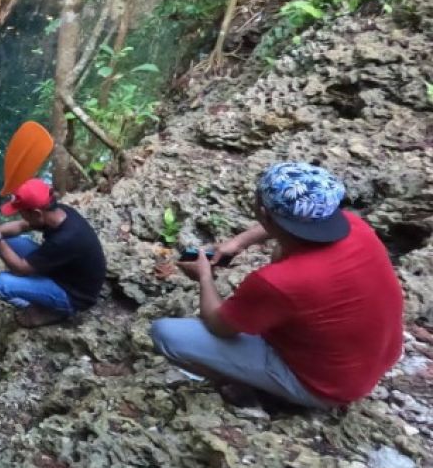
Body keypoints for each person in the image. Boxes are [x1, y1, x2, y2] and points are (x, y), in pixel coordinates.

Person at [151, 162, 404, 409]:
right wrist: (240, 242)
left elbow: (218, 325)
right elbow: (292, 225)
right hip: (373, 360)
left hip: (326, 387)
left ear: (263, 212)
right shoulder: (355, 226)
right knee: (283, 253)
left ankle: (251, 388)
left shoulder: (279, 281)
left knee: (167, 334)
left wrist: (204, 277)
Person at [0, 178, 106, 327]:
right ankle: (39, 289)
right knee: (7, 243)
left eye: (22, 212)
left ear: (36, 214)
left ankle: (55, 310)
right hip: (63, 271)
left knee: (3, 283)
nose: (21, 217)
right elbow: (22, 226)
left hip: (75, 295)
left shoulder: (65, 239)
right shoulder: (59, 213)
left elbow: (20, 269)